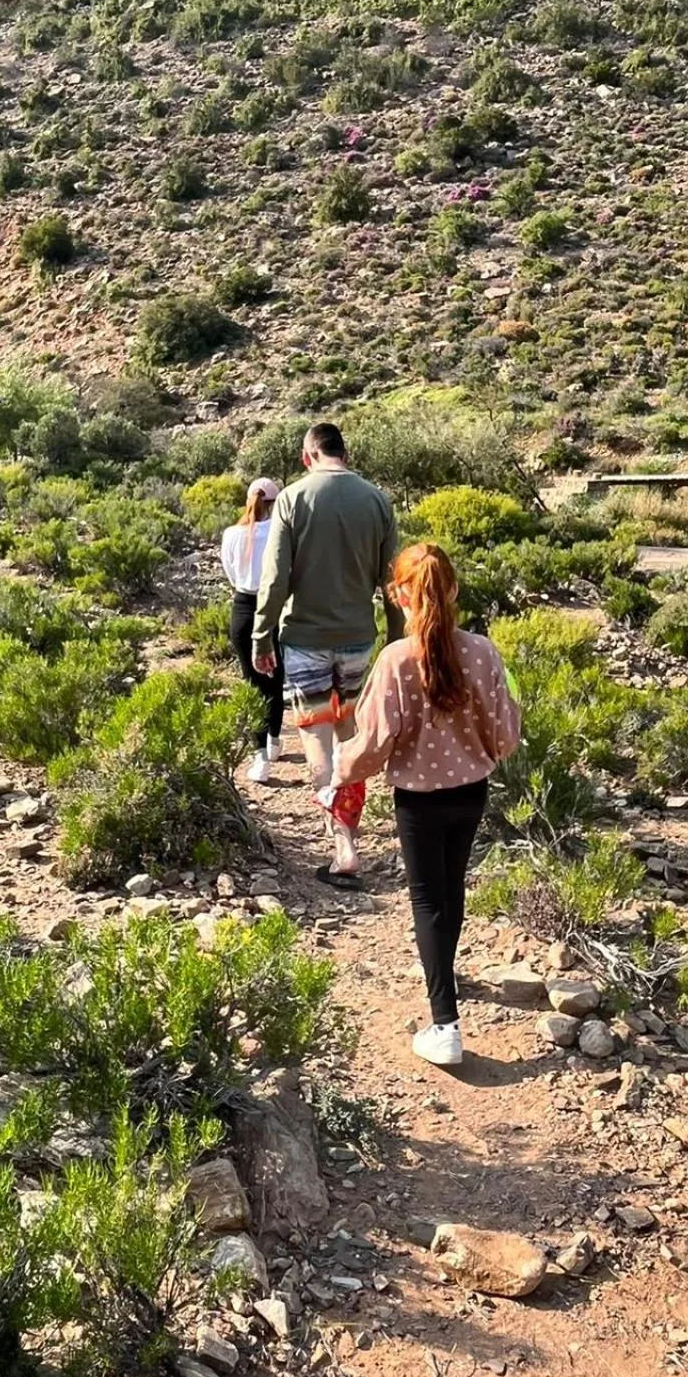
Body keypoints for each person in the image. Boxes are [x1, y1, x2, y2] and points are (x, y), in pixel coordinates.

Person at [330, 543, 521, 1067]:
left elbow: (373, 742)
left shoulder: (395, 660)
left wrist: (338, 774)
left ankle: (445, 1024)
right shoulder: (482, 651)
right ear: (453, 590)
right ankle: (445, 974)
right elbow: (505, 730)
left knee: (425, 900)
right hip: (471, 791)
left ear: (398, 594)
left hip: (417, 799)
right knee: (450, 889)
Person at [253, 422, 403, 883]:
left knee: (317, 739)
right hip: (359, 638)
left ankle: (343, 846)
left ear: (306, 457)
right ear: (346, 453)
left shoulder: (293, 500)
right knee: (349, 737)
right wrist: (397, 640)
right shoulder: (377, 500)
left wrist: (262, 635)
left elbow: (275, 577)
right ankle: (351, 831)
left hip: (304, 640)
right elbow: (392, 581)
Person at [221, 477, 285, 784]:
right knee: (277, 675)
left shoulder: (232, 534)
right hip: (275, 606)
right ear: (274, 503)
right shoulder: (279, 531)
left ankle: (260, 756)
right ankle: (273, 739)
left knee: (252, 681)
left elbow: (231, 573)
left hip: (243, 607)